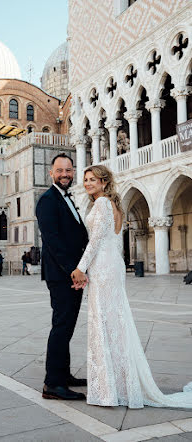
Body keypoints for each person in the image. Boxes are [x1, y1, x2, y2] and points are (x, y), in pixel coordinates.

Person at [71, 165, 192, 408]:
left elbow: (94, 242)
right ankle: (118, 385)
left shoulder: (102, 204)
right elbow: (112, 243)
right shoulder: (113, 204)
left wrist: (80, 268)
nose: (87, 183)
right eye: (85, 180)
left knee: (103, 324)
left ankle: (109, 390)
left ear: (104, 182)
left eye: (92, 179)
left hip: (104, 267)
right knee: (114, 324)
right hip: (110, 266)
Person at [36, 153, 89, 401]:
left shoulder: (67, 198)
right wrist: (74, 270)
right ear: (51, 173)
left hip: (71, 273)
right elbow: (54, 241)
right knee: (61, 327)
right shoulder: (47, 200)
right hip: (62, 275)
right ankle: (52, 383)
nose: (65, 174)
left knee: (66, 327)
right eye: (60, 170)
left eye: (68, 170)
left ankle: (63, 374)